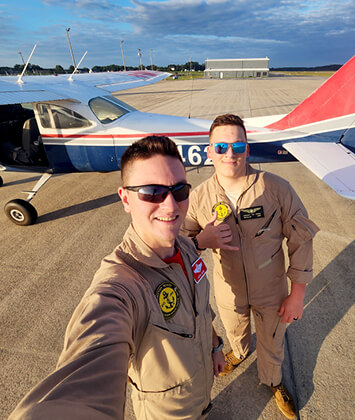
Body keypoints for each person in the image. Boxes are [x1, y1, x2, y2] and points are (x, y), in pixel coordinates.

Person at [9, 136, 224, 420]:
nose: (171, 205)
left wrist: (215, 345)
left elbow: (200, 308)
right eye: (152, 192)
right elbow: (93, 350)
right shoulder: (121, 284)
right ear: (125, 199)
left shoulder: (186, 247)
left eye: (179, 190)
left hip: (203, 392)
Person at [181, 114, 319, 419]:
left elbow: (301, 239)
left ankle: (274, 380)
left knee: (272, 340)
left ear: (247, 149)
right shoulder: (199, 198)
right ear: (209, 151)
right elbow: (178, 245)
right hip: (228, 289)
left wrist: (297, 294)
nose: (230, 153)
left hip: (271, 290)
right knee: (235, 331)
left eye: (238, 145)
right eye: (221, 146)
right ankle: (239, 353)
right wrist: (202, 240)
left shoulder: (275, 188)